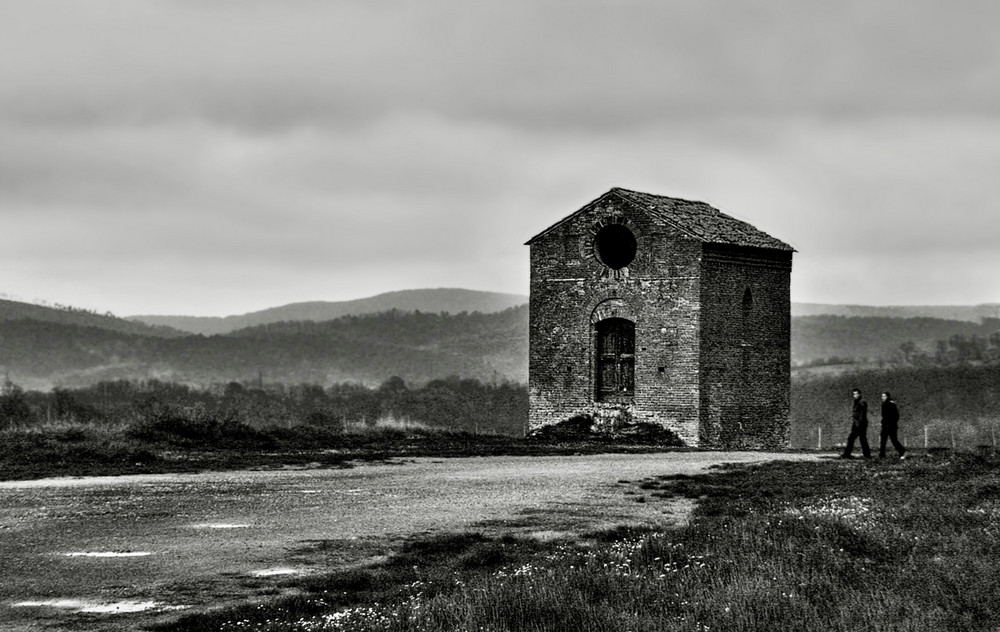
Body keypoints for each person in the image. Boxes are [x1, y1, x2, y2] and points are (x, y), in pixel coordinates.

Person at [841, 388, 871, 458]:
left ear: (860, 394)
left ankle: (847, 454)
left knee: (855, 438)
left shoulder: (862, 402)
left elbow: (862, 414)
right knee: (861, 439)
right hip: (857, 423)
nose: (855, 395)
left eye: (856, 394)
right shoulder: (857, 402)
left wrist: (858, 424)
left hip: (860, 423)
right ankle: (866, 454)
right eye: (854, 394)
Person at [879, 391, 906, 459]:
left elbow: (896, 416)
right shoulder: (884, 404)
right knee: (883, 440)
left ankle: (902, 451)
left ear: (887, 397)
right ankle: (882, 455)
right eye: (882, 396)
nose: (882, 398)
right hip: (886, 425)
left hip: (891, 426)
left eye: (884, 396)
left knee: (893, 440)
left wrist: (891, 423)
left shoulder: (891, 405)